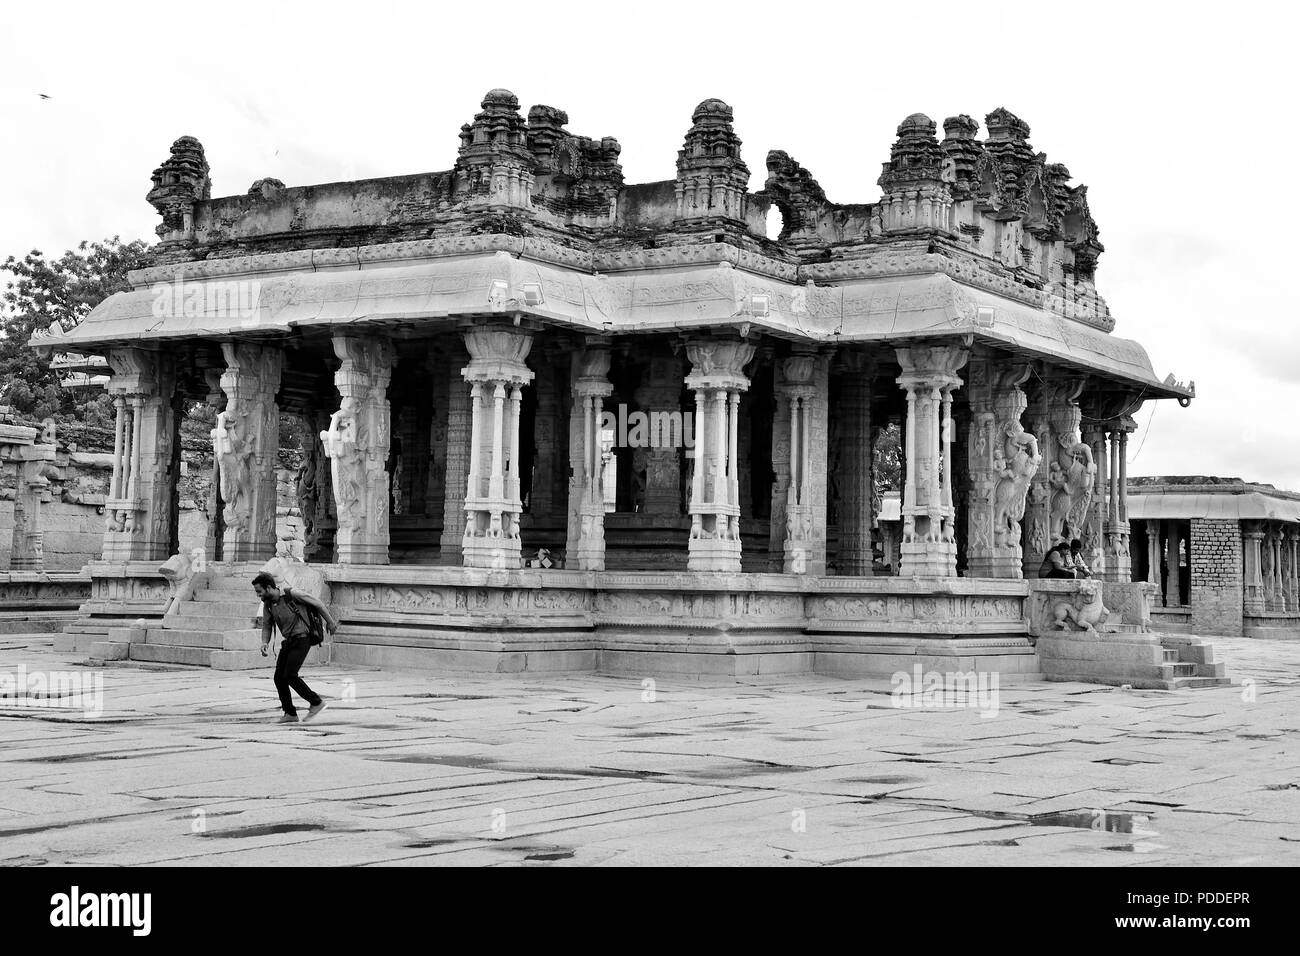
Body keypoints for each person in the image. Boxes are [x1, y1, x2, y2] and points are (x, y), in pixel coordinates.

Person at [252, 571, 339, 723]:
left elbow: (318, 604)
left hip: (302, 638)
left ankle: (316, 702)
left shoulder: (292, 594)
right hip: (289, 641)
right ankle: (290, 713)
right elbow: (267, 625)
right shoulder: (268, 605)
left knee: (290, 675)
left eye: (259, 591)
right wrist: (264, 643)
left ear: (268, 588)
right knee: (279, 678)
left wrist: (330, 622)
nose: (258, 595)